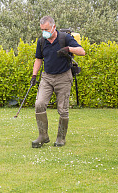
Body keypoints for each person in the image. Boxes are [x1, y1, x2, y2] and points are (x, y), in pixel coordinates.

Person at [30, 16, 85, 148]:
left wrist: (68, 49)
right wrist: (34, 75)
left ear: (54, 27)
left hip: (63, 77)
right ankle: (43, 136)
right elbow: (38, 59)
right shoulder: (41, 41)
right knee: (39, 104)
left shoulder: (65, 38)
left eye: (46, 29)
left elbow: (82, 52)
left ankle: (61, 138)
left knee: (63, 109)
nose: (44, 32)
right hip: (47, 77)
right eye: (42, 29)